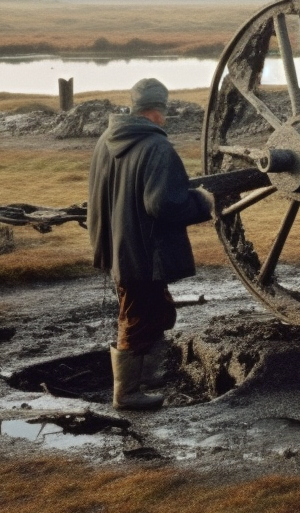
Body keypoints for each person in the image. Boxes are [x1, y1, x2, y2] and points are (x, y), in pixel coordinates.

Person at [88, 78, 214, 410]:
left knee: (157, 311)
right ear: (158, 111)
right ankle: (126, 394)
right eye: (165, 111)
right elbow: (164, 205)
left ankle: (151, 375)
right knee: (136, 318)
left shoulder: (107, 139)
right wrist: (202, 203)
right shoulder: (157, 148)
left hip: (117, 246)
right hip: (143, 253)